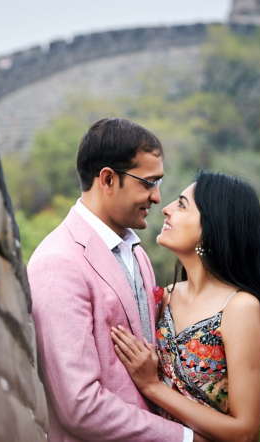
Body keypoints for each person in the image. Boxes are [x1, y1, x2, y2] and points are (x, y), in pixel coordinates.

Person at [28, 118, 196, 442]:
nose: (157, 197)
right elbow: (80, 406)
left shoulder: (137, 253)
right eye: (148, 183)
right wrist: (184, 438)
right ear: (107, 178)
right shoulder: (59, 263)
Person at [111, 170, 260, 442]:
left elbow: (245, 433)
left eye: (182, 205)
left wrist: (153, 387)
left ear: (212, 226)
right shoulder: (165, 296)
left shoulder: (239, 307)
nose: (166, 209)